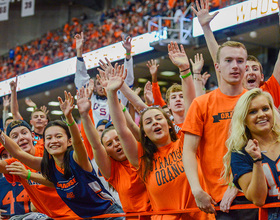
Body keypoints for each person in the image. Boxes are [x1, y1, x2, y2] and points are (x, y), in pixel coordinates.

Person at [104, 62, 212, 219]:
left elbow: (192, 105)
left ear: (169, 125)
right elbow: (121, 130)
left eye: (158, 118)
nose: (154, 122)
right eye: (148, 122)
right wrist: (111, 93)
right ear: (145, 134)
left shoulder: (185, 143)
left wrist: (186, 71)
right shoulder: (142, 158)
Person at [0, 91, 123, 219]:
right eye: (49, 138)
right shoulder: (48, 165)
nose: (54, 141)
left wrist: (69, 117)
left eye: (58, 136)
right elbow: (17, 152)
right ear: (44, 142)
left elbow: (78, 142)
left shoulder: (76, 158)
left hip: (109, 214)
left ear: (69, 141)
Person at [182, 40, 259, 219]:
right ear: (218, 66)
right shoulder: (201, 104)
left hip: (254, 192)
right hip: (219, 200)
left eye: (240, 61)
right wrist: (196, 190)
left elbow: (267, 145)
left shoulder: (256, 101)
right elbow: (188, 151)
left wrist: (237, 184)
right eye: (228, 60)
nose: (235, 66)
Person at [77, 86, 151, 218]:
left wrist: (114, 97)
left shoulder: (140, 154)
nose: (116, 144)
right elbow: (96, 145)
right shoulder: (113, 171)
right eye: (109, 144)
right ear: (107, 153)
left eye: (118, 139)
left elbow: (124, 129)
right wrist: (84, 115)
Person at [192, 0, 280, 108]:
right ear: (240, 74)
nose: (251, 72)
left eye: (255, 69)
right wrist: (206, 28)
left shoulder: (268, 91)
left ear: (262, 77)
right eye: (246, 69)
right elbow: (218, 58)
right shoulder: (231, 93)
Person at [0, 120, 79, 219]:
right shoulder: (15, 163)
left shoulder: (48, 149)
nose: (21, 138)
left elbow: (59, 181)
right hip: (48, 216)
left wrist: (28, 174)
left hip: (74, 213)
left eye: (24, 133)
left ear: (33, 135)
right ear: (10, 143)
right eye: (15, 136)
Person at [223, 88, 280, 219]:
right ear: (244, 120)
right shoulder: (240, 153)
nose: (261, 115)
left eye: (265, 109)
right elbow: (258, 199)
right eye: (253, 112)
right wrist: (257, 160)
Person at [0, 146, 31, 218]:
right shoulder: (1, 183)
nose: (9, 159)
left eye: (12, 155)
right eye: (5, 156)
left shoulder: (32, 176)